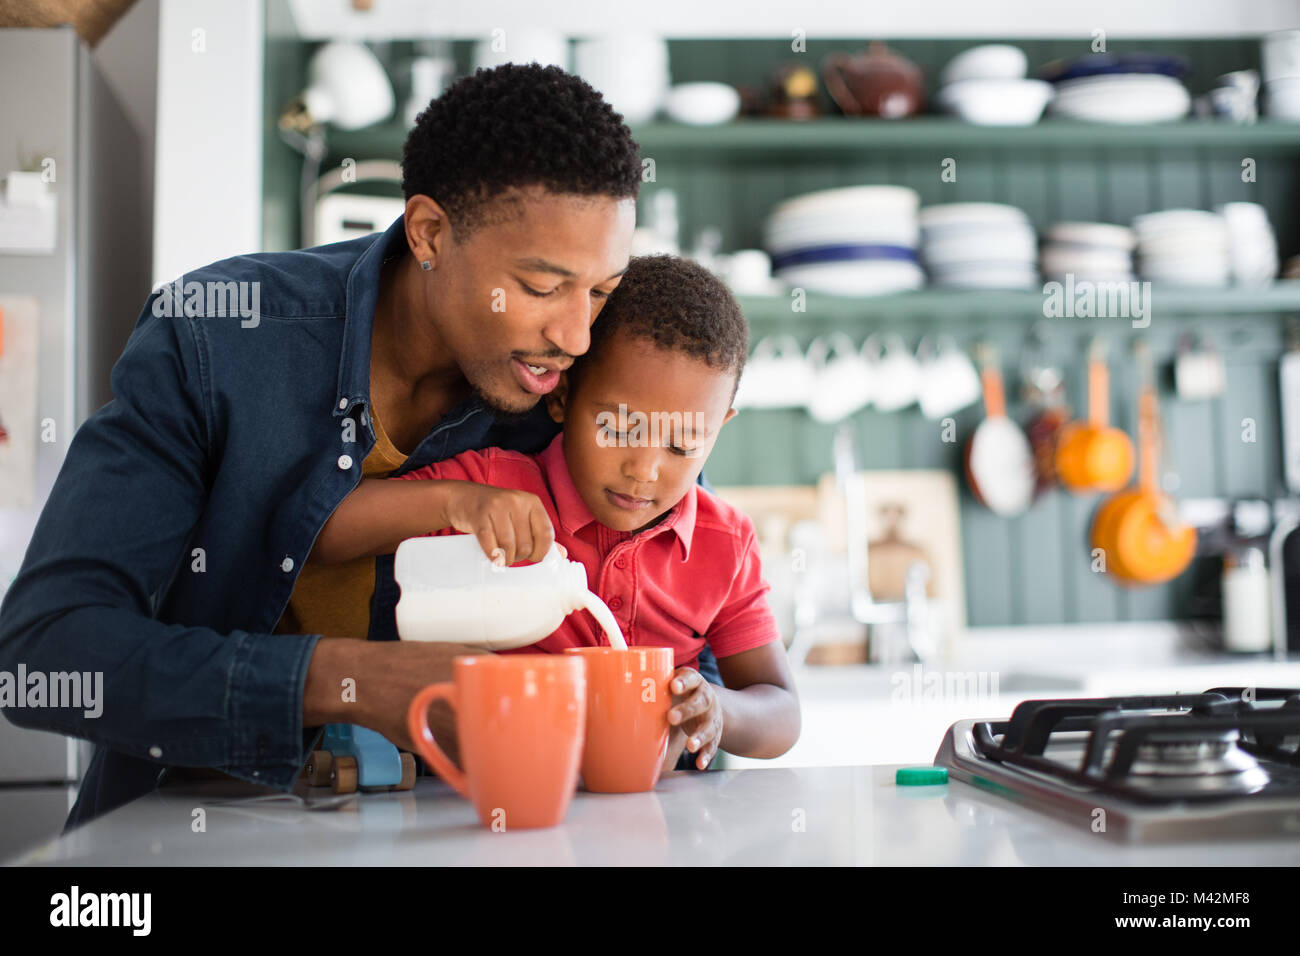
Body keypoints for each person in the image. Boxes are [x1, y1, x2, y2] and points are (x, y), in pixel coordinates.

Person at [0, 63, 715, 827]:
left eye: (602, 291)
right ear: (431, 233)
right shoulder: (217, 340)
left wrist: (682, 719)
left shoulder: (577, 388)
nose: (575, 335)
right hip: (192, 831)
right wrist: (346, 677)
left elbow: (684, 632)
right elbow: (46, 651)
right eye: (541, 289)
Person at [313, 256, 801, 770]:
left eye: (682, 445)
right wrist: (453, 503)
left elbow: (782, 712)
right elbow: (324, 531)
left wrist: (716, 709)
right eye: (618, 429)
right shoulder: (492, 490)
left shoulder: (723, 543)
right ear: (563, 397)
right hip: (494, 805)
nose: (644, 470)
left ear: (720, 428)